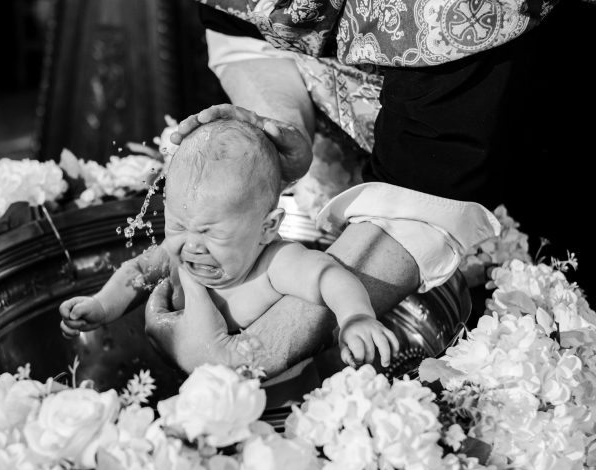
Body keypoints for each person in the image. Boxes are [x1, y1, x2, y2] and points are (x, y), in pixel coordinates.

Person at [141, 0, 527, 378]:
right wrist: (276, 143)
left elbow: (436, 167)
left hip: (510, 198)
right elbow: (247, 31)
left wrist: (242, 357)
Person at [60, 119, 400, 371]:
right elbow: (136, 273)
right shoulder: (181, 248)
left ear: (267, 228)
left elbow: (330, 276)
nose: (192, 245)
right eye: (178, 224)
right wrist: (102, 305)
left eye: (211, 232)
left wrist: (355, 316)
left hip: (274, 403)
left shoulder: (275, 264)